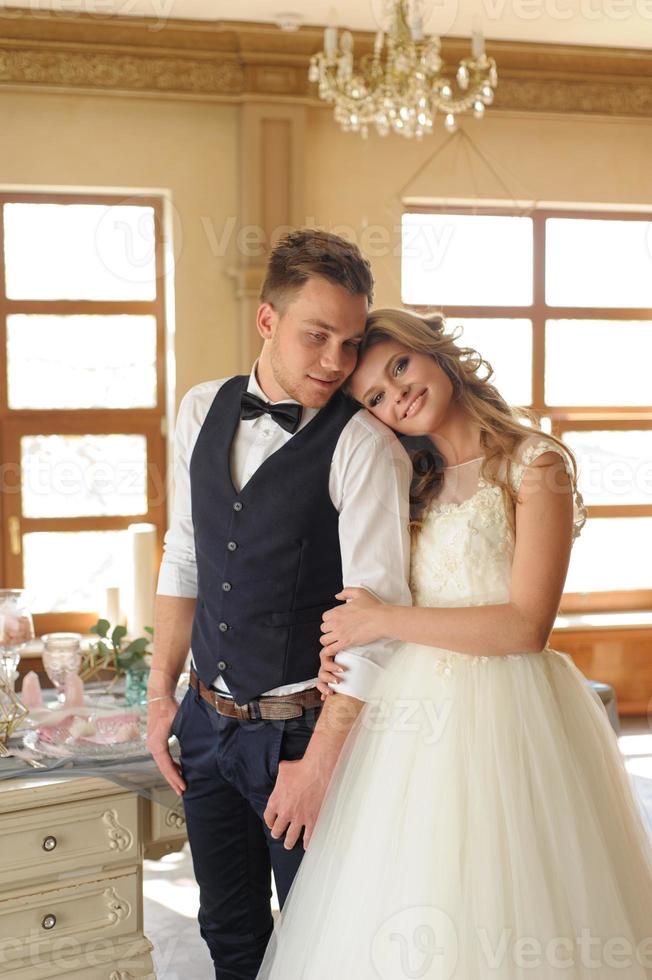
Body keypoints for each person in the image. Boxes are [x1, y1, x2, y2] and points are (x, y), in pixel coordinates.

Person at [255, 309, 652, 980]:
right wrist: (346, 641)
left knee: (512, 896)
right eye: (375, 397)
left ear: (437, 353)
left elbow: (526, 626)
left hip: (513, 711)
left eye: (400, 367)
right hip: (410, 722)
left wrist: (382, 622)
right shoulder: (413, 484)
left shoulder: (536, 464)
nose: (396, 394)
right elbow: (379, 599)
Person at [146, 232, 413, 979]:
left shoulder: (365, 449)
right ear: (268, 321)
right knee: (227, 934)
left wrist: (319, 762)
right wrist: (161, 695)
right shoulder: (200, 408)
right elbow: (186, 554)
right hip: (205, 725)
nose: (334, 362)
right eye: (316, 335)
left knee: (320, 945)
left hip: (299, 736)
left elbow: (377, 626)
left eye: (350, 343)